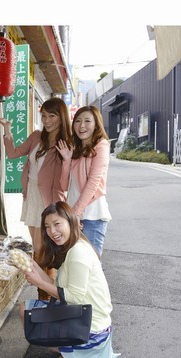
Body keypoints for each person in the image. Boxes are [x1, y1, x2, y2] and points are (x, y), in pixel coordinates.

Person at [21, 201, 124, 358]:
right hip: (84, 314)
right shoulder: (74, 246)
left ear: (71, 222)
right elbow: (60, 287)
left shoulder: (78, 253)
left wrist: (40, 282)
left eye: (57, 224)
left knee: (28, 313)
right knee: (27, 309)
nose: (52, 231)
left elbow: (74, 298)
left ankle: (75, 357)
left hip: (89, 325)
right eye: (47, 226)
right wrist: (34, 267)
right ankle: (70, 353)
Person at [0, 97, 72, 298]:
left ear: (61, 117)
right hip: (31, 197)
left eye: (52, 116)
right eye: (44, 116)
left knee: (41, 251)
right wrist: (7, 130)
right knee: (40, 250)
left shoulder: (65, 144)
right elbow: (13, 154)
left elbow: (64, 184)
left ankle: (45, 295)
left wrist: (66, 161)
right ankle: (49, 294)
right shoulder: (37, 136)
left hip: (49, 202)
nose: (47, 121)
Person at [57, 106, 112, 256]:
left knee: (91, 267)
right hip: (73, 215)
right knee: (74, 265)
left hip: (91, 216)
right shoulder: (74, 149)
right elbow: (63, 186)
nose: (81, 126)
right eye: (78, 121)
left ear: (96, 124)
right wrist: (67, 160)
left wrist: (75, 214)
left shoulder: (101, 145)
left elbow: (93, 182)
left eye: (87, 121)